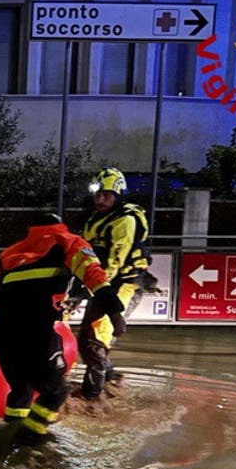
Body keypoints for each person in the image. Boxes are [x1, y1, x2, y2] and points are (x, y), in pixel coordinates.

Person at [0, 213, 125, 447]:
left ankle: (7, 434)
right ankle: (28, 438)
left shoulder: (8, 254)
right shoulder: (68, 241)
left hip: (2, 331)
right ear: (59, 225)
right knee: (57, 391)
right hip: (36, 329)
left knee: (21, 389)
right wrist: (115, 312)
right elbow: (95, 277)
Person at [75, 167, 151, 401]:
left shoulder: (125, 220)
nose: (100, 199)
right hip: (104, 286)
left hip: (123, 285)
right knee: (85, 339)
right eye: (98, 194)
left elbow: (114, 263)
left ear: (117, 195)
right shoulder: (94, 220)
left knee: (95, 340)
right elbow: (85, 256)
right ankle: (112, 378)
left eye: (106, 194)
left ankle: (92, 399)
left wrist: (87, 289)